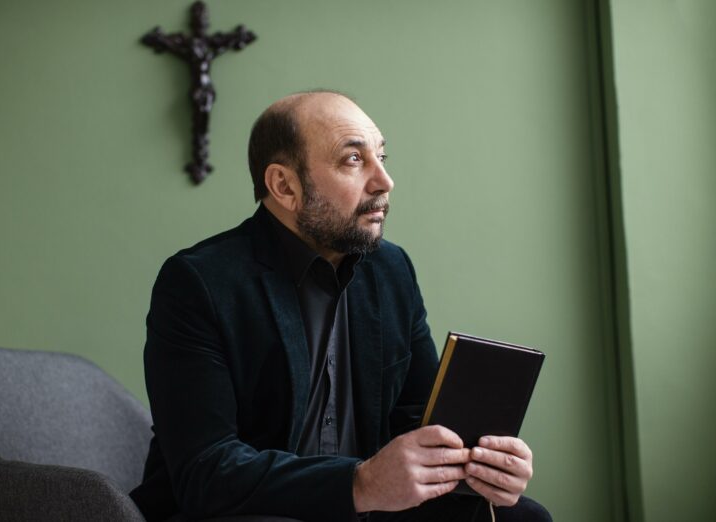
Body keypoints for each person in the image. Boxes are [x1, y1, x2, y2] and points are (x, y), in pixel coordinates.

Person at [130, 91, 552, 522]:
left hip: (367, 509)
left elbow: (416, 420)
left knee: (523, 517)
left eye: (382, 156)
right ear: (285, 186)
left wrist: (478, 466)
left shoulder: (392, 268)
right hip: (250, 510)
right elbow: (207, 471)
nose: (384, 181)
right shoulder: (198, 282)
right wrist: (360, 483)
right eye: (354, 160)